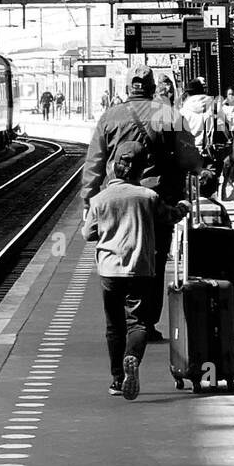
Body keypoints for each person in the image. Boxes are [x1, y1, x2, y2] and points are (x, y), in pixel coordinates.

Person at [82, 65, 204, 340]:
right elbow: (187, 158)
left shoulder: (110, 117)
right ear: (152, 88)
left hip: (116, 201)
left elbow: (94, 164)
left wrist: (88, 202)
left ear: (128, 88)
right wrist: (198, 169)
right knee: (154, 260)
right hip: (157, 200)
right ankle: (145, 324)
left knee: (116, 254)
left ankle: (120, 324)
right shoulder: (169, 114)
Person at [84, 141, 190, 399]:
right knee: (139, 323)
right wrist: (183, 208)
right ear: (142, 170)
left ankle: (117, 379)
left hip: (109, 270)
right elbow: (170, 216)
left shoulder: (99, 199)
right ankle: (132, 356)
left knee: (114, 326)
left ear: (113, 167)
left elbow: (88, 233)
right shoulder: (149, 197)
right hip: (140, 268)